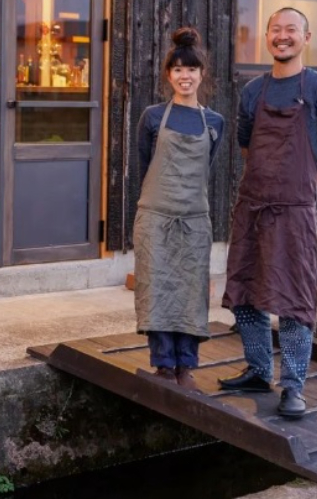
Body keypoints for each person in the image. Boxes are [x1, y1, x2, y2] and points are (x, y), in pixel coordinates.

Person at [217, 7, 317, 419]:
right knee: (244, 291)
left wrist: (305, 185)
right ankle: (258, 370)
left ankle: (293, 386)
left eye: (291, 30)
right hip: (252, 206)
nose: (282, 36)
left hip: (295, 212)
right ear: (267, 37)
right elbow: (245, 146)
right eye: (275, 30)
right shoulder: (253, 92)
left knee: (294, 301)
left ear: (306, 37)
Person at [134, 26, 226, 391]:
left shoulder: (214, 122)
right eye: (177, 70)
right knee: (156, 288)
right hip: (155, 217)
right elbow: (144, 166)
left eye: (191, 70)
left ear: (202, 75)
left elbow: (207, 168)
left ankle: (186, 366)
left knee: (189, 291)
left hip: (193, 220)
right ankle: (162, 364)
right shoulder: (153, 117)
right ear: (168, 75)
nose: (184, 76)